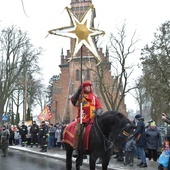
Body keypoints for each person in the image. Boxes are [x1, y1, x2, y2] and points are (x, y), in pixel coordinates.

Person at [71, 81, 103, 157]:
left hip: (93, 119)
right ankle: (76, 148)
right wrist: (78, 91)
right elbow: (73, 101)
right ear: (84, 88)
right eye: (87, 86)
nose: (89, 87)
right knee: (78, 130)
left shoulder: (94, 97)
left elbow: (99, 107)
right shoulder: (80, 97)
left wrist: (98, 112)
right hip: (83, 119)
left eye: (90, 86)